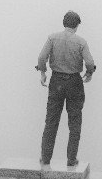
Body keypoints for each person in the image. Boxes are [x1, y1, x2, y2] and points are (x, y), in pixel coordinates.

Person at [36, 10, 95, 167]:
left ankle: (46, 157)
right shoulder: (81, 42)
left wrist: (43, 73)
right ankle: (71, 159)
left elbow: (42, 57)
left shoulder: (52, 38)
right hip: (74, 82)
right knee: (74, 122)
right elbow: (89, 62)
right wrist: (89, 73)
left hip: (56, 81)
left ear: (64, 23)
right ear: (76, 26)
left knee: (51, 121)